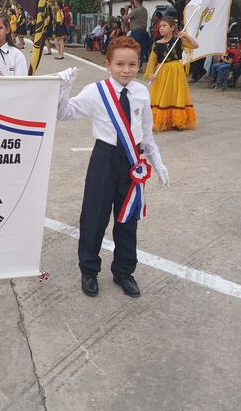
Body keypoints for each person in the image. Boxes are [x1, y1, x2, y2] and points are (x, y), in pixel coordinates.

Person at [56, 36, 169, 298]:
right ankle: (89, 269)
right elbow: (63, 114)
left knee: (128, 218)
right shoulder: (96, 91)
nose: (126, 70)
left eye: (132, 64)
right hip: (104, 159)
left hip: (132, 161)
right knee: (94, 217)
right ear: (108, 64)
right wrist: (64, 88)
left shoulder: (141, 92)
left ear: (139, 65)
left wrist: (158, 162)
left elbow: (146, 133)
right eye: (120, 64)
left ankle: (123, 271)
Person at [143, 18, 199, 130]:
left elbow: (195, 45)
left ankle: (177, 121)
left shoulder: (178, 40)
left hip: (177, 71)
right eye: (160, 26)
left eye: (164, 26)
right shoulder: (157, 44)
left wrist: (186, 36)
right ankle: (163, 121)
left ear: (172, 28)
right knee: (164, 95)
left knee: (176, 93)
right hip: (162, 72)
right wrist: (150, 74)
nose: (161, 28)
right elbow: (151, 61)